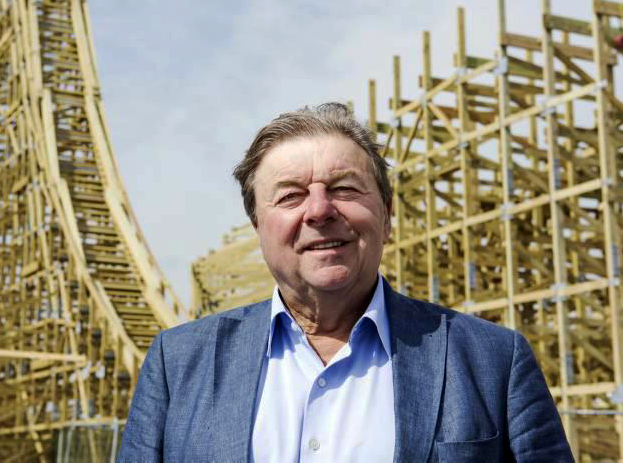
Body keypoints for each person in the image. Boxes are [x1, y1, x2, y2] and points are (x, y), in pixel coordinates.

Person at [118, 103, 573, 462]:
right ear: (258, 226)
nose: (319, 211)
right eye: (291, 195)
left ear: (387, 216)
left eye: (344, 189)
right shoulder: (178, 364)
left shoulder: (492, 360)